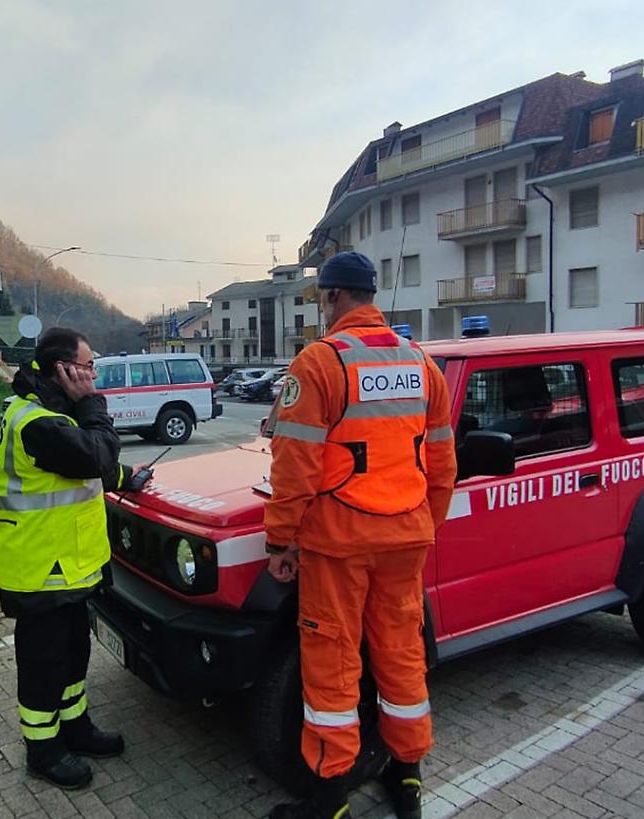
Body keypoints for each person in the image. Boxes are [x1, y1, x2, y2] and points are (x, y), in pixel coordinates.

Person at [263, 252, 457, 819]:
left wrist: (280, 541)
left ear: (333, 296)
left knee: (333, 662)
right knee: (401, 654)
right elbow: (442, 464)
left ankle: (329, 799)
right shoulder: (422, 365)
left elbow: (295, 467)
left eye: (322, 299)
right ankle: (408, 778)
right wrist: (423, 524)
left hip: (339, 544)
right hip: (405, 539)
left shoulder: (320, 363)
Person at [0, 327, 148, 789]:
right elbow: (93, 455)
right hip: (42, 569)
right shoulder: (37, 422)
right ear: (64, 370)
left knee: (74, 652)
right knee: (44, 664)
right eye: (88, 366)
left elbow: (80, 468)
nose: (93, 376)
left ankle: (75, 727)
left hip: (67, 566)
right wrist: (92, 405)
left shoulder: (51, 412)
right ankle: (43, 750)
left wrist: (125, 476)